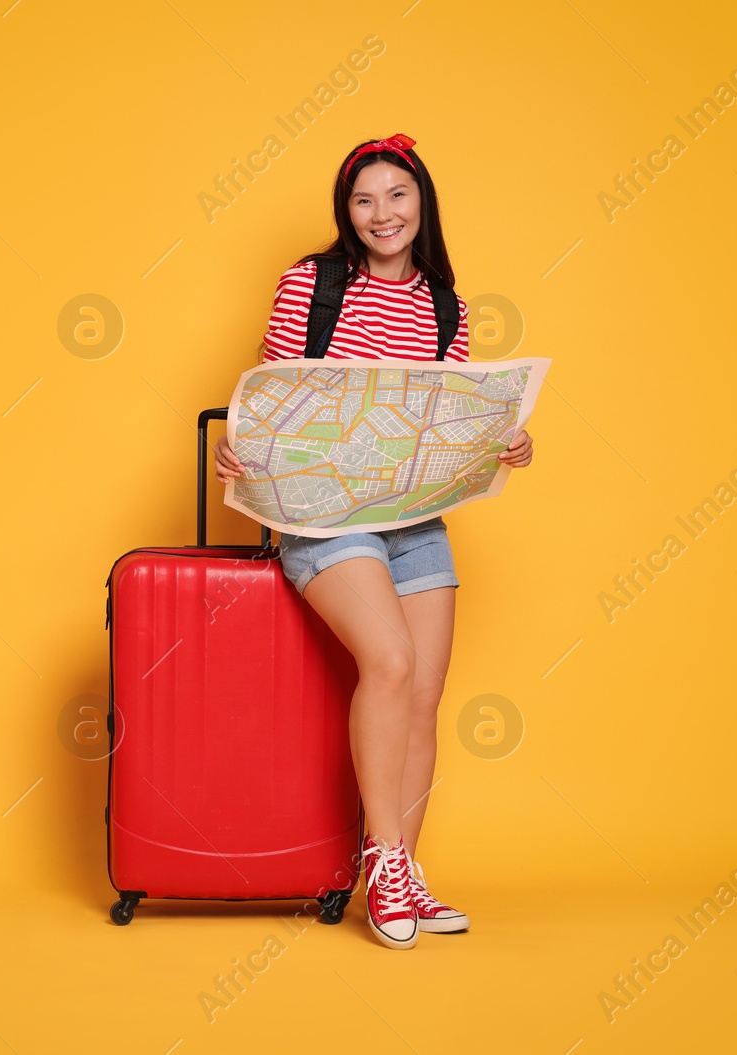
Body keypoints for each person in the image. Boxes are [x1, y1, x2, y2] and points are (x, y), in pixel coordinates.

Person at [214, 133, 535, 949]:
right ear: (345, 213)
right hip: (323, 514)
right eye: (364, 200)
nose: (381, 213)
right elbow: (273, 395)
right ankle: (384, 859)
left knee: (424, 690)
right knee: (388, 662)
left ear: (420, 203)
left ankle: (405, 875)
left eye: (397, 196)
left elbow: (440, 422)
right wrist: (240, 442)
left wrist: (502, 443)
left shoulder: (447, 306)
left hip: (415, 513)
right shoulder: (312, 283)